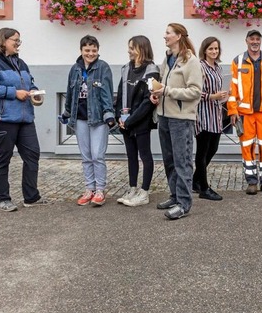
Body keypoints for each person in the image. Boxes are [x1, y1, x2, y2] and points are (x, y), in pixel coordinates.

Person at [0, 28, 47, 211]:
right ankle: (2, 199)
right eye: (15, 40)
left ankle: (31, 197)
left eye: (19, 41)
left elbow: (29, 83)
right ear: (3, 41)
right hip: (1, 118)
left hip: (24, 118)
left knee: (33, 154)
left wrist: (35, 92)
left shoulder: (21, 63)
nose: (18, 43)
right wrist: (14, 93)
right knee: (2, 159)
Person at [151, 23, 202, 220]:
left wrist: (167, 91)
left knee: (182, 161)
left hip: (181, 119)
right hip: (164, 116)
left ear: (178, 36)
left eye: (168, 33)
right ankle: (174, 195)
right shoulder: (168, 58)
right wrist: (156, 95)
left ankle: (183, 203)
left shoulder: (191, 61)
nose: (165, 36)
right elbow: (163, 85)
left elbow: (195, 91)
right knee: (169, 160)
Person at [227, 29, 262, 195]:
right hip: (245, 113)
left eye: (258, 39)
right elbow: (233, 88)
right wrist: (232, 110)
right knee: (247, 147)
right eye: (252, 39)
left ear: (261, 41)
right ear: (246, 41)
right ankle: (251, 181)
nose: (255, 41)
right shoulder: (238, 60)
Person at [61, 35, 115, 207]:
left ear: (98, 51)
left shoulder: (103, 67)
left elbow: (106, 91)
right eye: (87, 50)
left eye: (94, 50)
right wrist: (67, 111)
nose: (90, 53)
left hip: (98, 117)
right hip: (80, 117)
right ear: (81, 50)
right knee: (86, 156)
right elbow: (70, 93)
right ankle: (89, 188)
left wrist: (109, 113)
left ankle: (100, 189)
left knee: (97, 155)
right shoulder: (75, 69)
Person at [115, 35, 160, 207]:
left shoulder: (151, 70)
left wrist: (131, 120)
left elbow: (148, 101)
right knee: (131, 156)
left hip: (140, 121)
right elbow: (120, 94)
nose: (129, 51)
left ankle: (144, 192)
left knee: (145, 155)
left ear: (141, 49)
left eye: (132, 47)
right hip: (125, 121)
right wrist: (120, 117)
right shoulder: (126, 68)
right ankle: (132, 188)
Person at [192, 36, 228, 201]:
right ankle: (204, 188)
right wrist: (212, 96)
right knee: (202, 151)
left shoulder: (218, 68)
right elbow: (194, 91)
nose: (214, 51)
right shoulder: (200, 67)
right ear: (204, 50)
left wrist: (224, 96)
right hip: (203, 114)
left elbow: (218, 91)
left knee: (212, 149)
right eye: (211, 49)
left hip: (216, 114)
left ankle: (195, 180)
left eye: (216, 49)